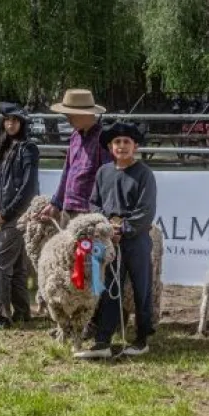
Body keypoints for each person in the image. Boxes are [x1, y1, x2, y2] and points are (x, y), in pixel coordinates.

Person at [75, 122, 157, 359]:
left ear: (135, 146)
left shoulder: (144, 174)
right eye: (117, 142)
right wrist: (105, 226)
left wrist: (124, 228)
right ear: (111, 147)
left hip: (136, 240)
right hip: (110, 240)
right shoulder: (104, 172)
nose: (121, 146)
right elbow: (94, 203)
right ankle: (103, 340)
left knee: (141, 287)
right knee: (110, 288)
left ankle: (141, 339)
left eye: (126, 142)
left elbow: (146, 210)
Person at [39, 89, 113, 337]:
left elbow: (106, 177)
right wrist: (56, 202)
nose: (67, 118)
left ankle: (91, 322)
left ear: (86, 114)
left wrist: (100, 212)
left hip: (88, 215)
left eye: (70, 113)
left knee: (93, 270)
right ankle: (68, 323)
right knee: (69, 267)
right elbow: (67, 171)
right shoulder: (74, 137)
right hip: (70, 212)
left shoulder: (103, 140)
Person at [0, 102, 40, 331]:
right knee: (16, 266)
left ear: (22, 123)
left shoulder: (28, 149)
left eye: (15, 120)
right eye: (7, 120)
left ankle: (0, 316)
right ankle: (23, 312)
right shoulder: (0, 149)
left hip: (18, 215)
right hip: (2, 214)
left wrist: (5, 214)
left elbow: (28, 188)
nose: (10, 124)